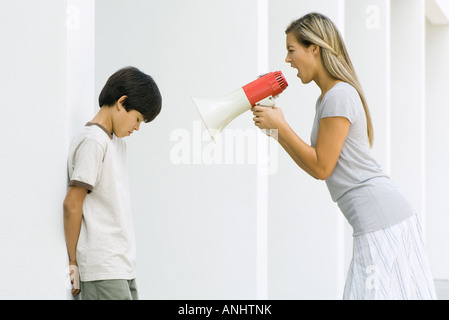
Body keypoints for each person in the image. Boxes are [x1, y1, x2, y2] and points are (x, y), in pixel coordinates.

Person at [252, 12, 436, 300]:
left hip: (381, 223)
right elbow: (317, 167)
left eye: (291, 50)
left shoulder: (339, 96)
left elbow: (322, 167)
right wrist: (276, 132)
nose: (287, 60)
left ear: (314, 48)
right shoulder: (328, 97)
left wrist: (283, 128)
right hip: (377, 223)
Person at [63, 66, 162, 299]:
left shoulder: (116, 143)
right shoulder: (94, 142)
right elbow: (72, 204)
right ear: (121, 102)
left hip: (122, 267)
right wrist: (73, 262)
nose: (137, 127)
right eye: (138, 118)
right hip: (102, 269)